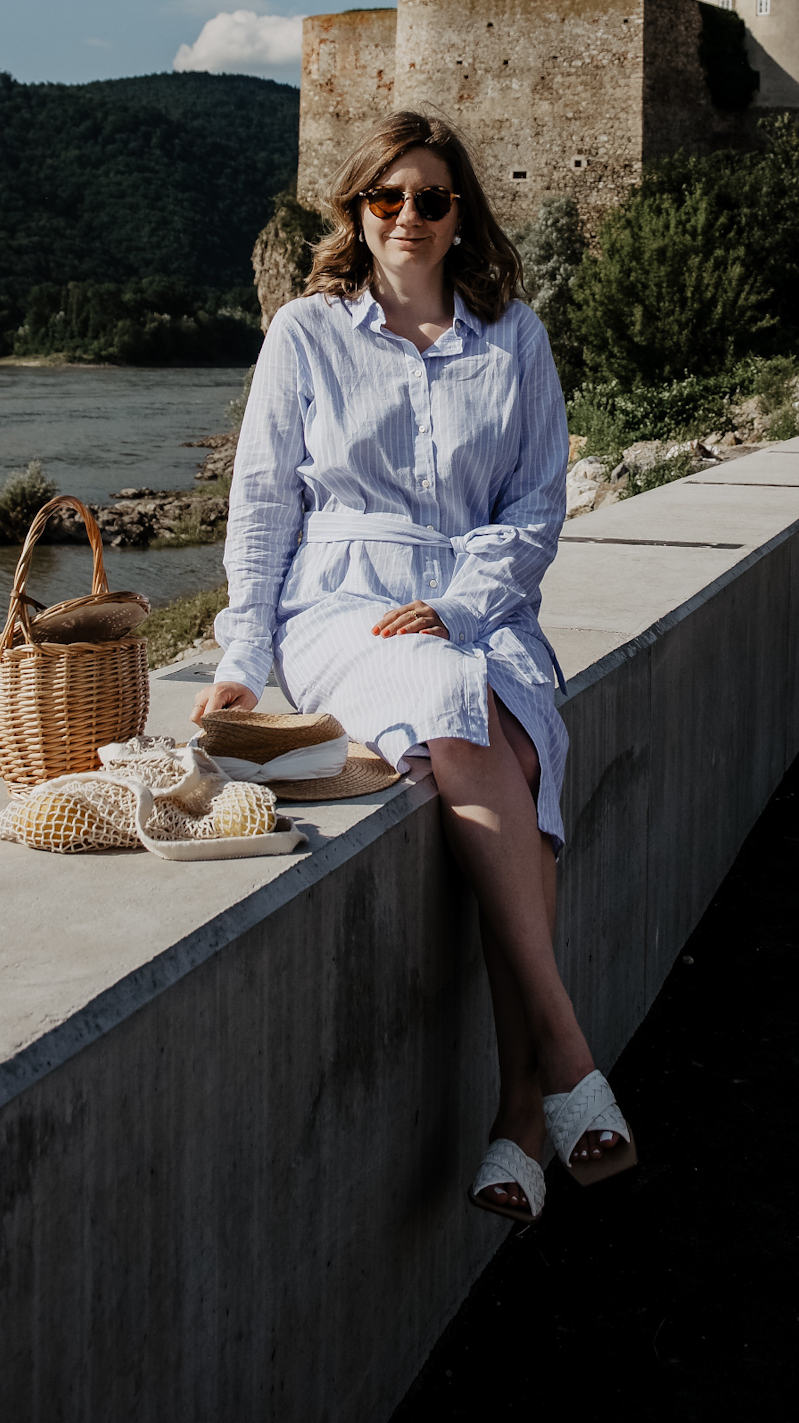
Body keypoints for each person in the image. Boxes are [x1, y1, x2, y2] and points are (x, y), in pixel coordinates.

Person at [192, 109, 636, 1220]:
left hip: (478, 599)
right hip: (341, 605)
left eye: (430, 198)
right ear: (356, 210)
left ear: (458, 213)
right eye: (384, 198)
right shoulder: (305, 331)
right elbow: (261, 505)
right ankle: (563, 1061)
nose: (407, 217)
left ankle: (524, 1118)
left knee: (518, 736)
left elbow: (536, 507)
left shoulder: (514, 337)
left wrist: (456, 600)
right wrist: (243, 653)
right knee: (461, 703)